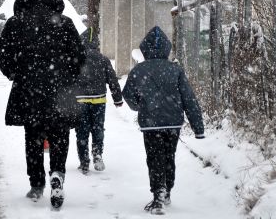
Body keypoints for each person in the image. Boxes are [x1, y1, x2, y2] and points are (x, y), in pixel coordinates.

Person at [0, 0, 85, 210]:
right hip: (59, 91)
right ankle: (57, 174)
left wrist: (14, 73)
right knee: (60, 134)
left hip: (29, 91)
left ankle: (36, 183)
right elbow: (79, 57)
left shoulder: (16, 23)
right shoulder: (64, 23)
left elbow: (2, 53)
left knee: (33, 136)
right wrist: (67, 78)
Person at [122, 26, 205, 215]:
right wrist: (198, 127)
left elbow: (127, 95)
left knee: (154, 157)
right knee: (169, 156)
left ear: (145, 48)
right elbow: (188, 98)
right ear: (166, 48)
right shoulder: (175, 70)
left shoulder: (139, 70)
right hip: (173, 123)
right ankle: (167, 189)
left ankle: (158, 193)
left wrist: (139, 106)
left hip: (151, 123)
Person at [75, 27, 123, 174]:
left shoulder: (76, 58)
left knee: (82, 131)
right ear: (96, 43)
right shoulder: (103, 59)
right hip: (99, 100)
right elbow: (112, 80)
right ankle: (97, 153)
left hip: (80, 101)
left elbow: (67, 79)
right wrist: (117, 98)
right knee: (98, 128)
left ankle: (84, 161)